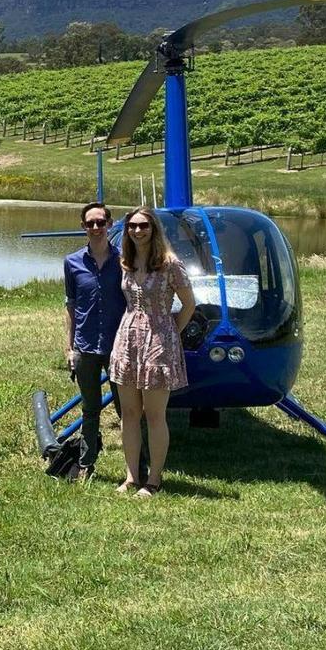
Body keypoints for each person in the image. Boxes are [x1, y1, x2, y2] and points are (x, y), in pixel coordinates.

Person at [108, 207, 196, 497]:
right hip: (127, 340)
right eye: (132, 226)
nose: (137, 231)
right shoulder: (126, 262)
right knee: (130, 413)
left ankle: (154, 479)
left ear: (154, 228)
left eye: (143, 225)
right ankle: (132, 476)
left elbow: (189, 305)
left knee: (154, 414)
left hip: (159, 342)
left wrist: (171, 333)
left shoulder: (170, 264)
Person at [63, 201, 128, 482]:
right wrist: (69, 348)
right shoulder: (72, 262)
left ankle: (136, 467)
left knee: (127, 410)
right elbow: (71, 306)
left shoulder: (124, 261)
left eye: (100, 222)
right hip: (86, 347)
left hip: (118, 348)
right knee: (90, 409)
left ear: (110, 224)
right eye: (90, 223)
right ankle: (85, 464)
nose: (95, 227)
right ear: (83, 227)